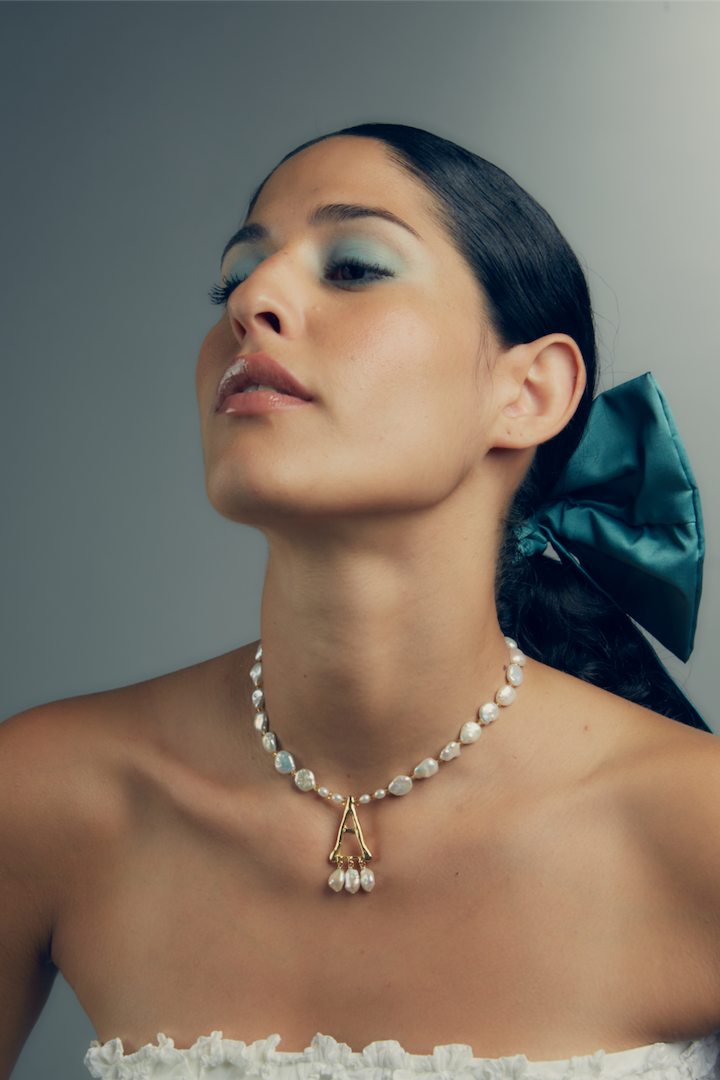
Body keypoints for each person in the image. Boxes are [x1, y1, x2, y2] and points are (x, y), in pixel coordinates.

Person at [1, 124, 719, 1080]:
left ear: (530, 392)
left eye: (353, 267)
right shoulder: (45, 795)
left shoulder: (700, 825)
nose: (249, 302)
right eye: (233, 280)